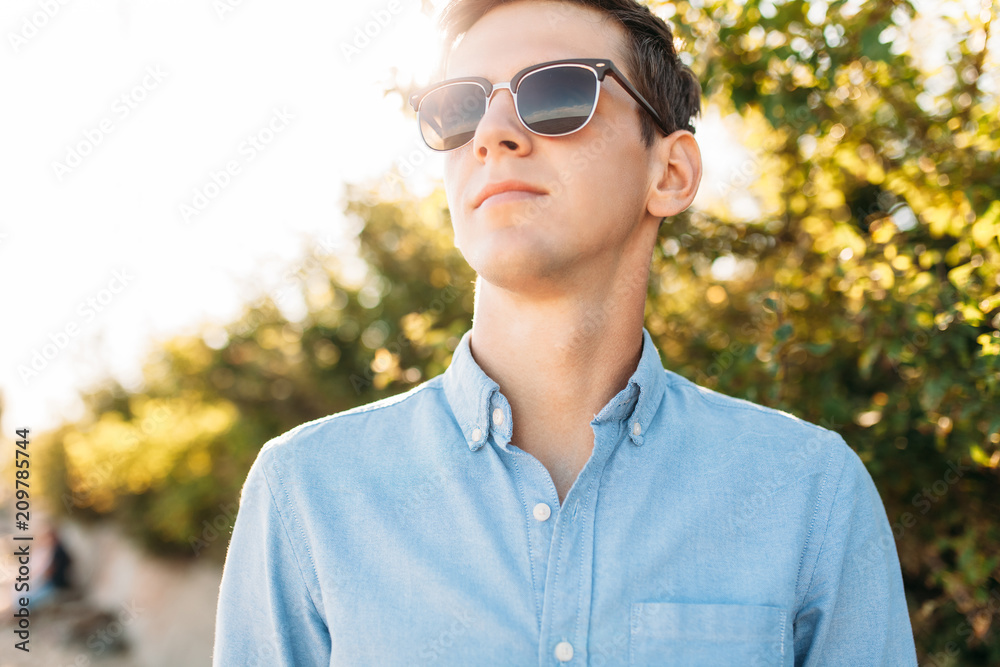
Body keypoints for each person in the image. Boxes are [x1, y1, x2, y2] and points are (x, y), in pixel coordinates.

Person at [213, 1, 918, 664]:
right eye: (460, 110)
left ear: (670, 172)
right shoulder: (308, 491)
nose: (491, 134)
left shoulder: (809, 492)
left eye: (555, 94)